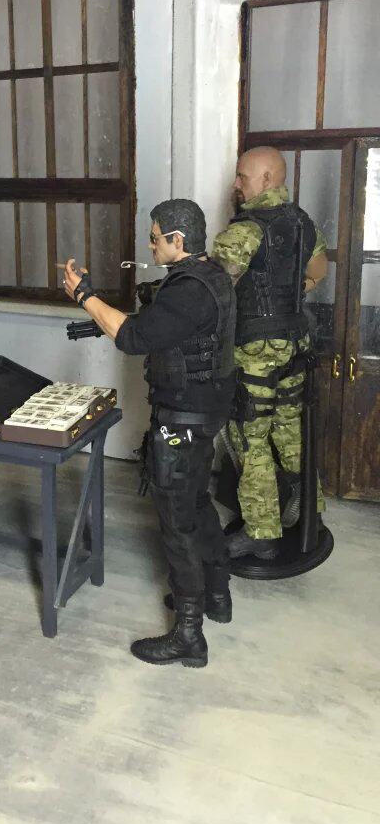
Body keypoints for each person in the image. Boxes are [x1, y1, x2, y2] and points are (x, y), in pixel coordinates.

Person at [63, 199, 236, 668]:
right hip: (205, 413)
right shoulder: (213, 274)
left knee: (177, 520)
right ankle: (216, 595)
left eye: (156, 237)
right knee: (196, 502)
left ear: (178, 240)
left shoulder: (188, 290)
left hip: (182, 419)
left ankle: (189, 636)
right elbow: (158, 328)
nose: (150, 244)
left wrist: (84, 296)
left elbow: (134, 338)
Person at [212, 147, 328, 560]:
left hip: (254, 351)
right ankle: (308, 509)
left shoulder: (244, 231)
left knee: (250, 438)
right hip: (295, 343)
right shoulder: (303, 223)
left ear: (265, 179)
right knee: (290, 428)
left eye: (242, 176)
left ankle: (261, 535)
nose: (236, 184)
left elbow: (213, 294)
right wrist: (285, 301)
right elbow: (318, 272)